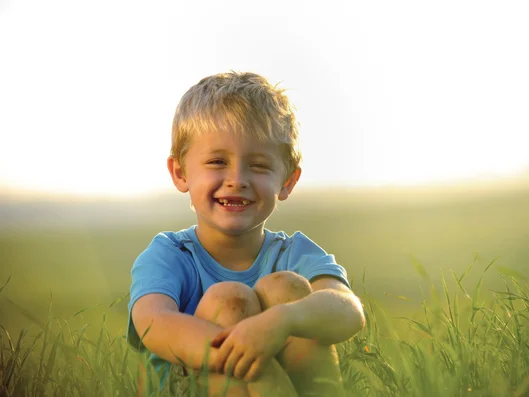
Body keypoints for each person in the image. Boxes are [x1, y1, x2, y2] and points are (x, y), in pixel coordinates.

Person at [127, 71, 366, 397]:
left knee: (290, 289)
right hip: (195, 386)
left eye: (258, 165)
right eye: (216, 161)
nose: (237, 179)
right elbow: (152, 323)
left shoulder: (294, 253)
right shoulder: (169, 254)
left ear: (287, 181)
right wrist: (249, 357)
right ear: (180, 173)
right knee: (228, 301)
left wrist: (282, 320)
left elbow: (348, 311)